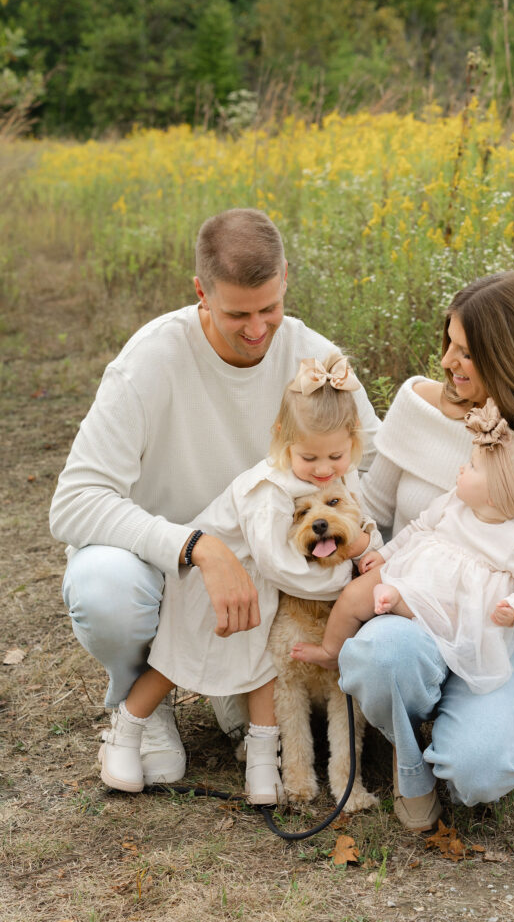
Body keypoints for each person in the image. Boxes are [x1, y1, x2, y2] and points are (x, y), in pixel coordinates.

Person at [49, 210, 380, 786]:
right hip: (162, 564)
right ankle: (141, 705)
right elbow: (74, 502)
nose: (257, 329)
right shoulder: (150, 361)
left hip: (269, 578)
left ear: (285, 280)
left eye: (269, 308)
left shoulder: (316, 363)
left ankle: (243, 706)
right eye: (237, 314)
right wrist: (196, 545)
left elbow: (369, 469)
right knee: (106, 588)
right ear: (201, 292)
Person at [335, 271, 514, 832]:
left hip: (494, 629)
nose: (450, 361)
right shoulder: (417, 404)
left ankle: (456, 728)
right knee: (383, 656)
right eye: (449, 343)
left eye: (468, 353)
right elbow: (374, 509)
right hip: (404, 606)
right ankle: (410, 762)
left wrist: (476, 583)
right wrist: (382, 570)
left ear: (512, 361)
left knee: (479, 773)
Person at [98, 354, 382, 803]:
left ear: (353, 445)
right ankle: (126, 730)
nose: (325, 467)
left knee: (262, 669)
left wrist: (370, 549)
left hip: (261, 588)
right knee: (174, 661)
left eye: (336, 455)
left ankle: (264, 762)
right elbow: (281, 567)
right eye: (309, 457)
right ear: (282, 442)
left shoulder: (335, 476)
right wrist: (350, 578)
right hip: (211, 580)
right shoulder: (268, 490)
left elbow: (362, 522)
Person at [292, 399, 514, 699]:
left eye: (471, 466)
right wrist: (384, 554)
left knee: (438, 619)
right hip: (410, 572)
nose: (462, 467)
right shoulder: (452, 503)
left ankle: (398, 603)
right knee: (353, 595)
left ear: (495, 495)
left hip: (450, 610)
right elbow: (418, 528)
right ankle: (331, 649)